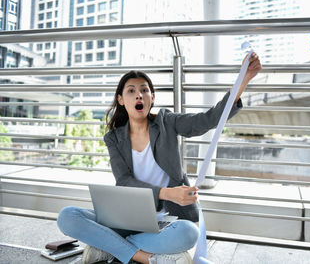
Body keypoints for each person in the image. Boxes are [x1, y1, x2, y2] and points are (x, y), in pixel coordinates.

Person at [57, 52, 261, 264]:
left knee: (188, 233)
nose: (139, 95)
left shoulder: (167, 121)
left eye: (145, 90)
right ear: (121, 99)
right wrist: (168, 193)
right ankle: (144, 256)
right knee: (68, 216)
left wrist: (243, 80)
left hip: (171, 220)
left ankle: (110, 247)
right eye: (131, 91)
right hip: (129, 217)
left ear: (152, 98)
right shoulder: (114, 138)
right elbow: (124, 181)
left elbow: (208, 119)